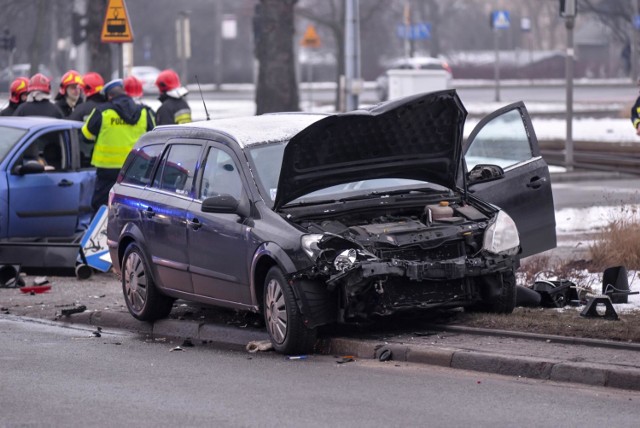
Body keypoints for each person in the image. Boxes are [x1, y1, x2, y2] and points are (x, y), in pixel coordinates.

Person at [82, 79, 155, 212]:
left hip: (107, 169)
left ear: (109, 96)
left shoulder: (102, 111)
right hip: (136, 169)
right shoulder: (144, 112)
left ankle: (101, 232)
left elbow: (86, 136)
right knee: (132, 207)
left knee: (102, 206)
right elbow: (155, 138)